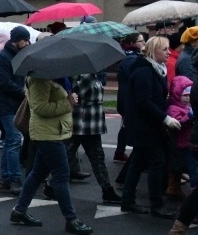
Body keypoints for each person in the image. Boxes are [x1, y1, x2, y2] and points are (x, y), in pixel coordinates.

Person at [8, 74, 93, 235]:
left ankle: (19, 211)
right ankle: (71, 219)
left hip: (53, 132)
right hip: (47, 134)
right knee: (61, 176)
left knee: (37, 174)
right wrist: (67, 102)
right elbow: (40, 108)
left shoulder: (58, 78)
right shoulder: (40, 79)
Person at [121, 36, 180, 218]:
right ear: (153, 51)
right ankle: (156, 205)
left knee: (138, 163)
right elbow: (144, 101)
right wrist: (165, 118)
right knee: (157, 162)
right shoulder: (144, 71)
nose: (168, 52)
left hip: (147, 125)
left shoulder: (154, 69)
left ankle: (128, 201)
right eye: (164, 49)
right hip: (145, 127)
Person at [66, 72, 122, 204]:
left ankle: (107, 190)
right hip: (82, 123)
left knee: (97, 158)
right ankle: (50, 183)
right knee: (67, 155)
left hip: (92, 125)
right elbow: (74, 96)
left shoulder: (93, 76)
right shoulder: (82, 76)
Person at [0, 26, 30, 194]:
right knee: (14, 140)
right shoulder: (2, 58)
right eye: (25, 40)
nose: (28, 43)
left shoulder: (17, 56)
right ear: (17, 40)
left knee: (10, 142)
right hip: (6, 104)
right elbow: (4, 83)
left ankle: (6, 178)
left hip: (14, 104)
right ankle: (14, 178)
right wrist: (24, 92)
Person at [114, 33, 145, 163]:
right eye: (141, 41)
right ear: (132, 44)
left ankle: (120, 152)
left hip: (127, 98)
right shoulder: (130, 59)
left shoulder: (133, 57)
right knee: (131, 125)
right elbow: (136, 77)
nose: (144, 43)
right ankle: (125, 153)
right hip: (127, 99)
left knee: (127, 125)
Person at [166, 76, 196, 195]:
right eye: (185, 95)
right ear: (177, 94)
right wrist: (190, 116)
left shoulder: (188, 107)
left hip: (188, 143)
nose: (188, 98)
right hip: (180, 143)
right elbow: (178, 124)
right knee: (188, 168)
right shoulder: (174, 108)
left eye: (190, 95)